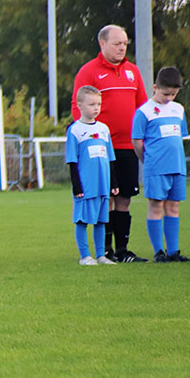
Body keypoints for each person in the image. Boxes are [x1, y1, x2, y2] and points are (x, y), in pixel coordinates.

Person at [71, 24, 148, 263]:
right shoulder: (88, 71)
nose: (122, 48)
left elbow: (142, 107)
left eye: (125, 43)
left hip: (128, 146)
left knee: (124, 198)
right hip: (102, 150)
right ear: (102, 43)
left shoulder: (133, 71)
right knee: (107, 198)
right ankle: (104, 251)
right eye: (117, 43)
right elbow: (76, 107)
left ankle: (123, 250)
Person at [131, 67, 190, 263]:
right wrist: (147, 161)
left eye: (173, 94)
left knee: (173, 207)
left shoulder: (178, 109)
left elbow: (179, 137)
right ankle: (159, 251)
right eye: (165, 94)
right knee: (156, 206)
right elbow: (137, 141)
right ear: (155, 88)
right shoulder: (144, 112)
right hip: (156, 168)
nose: (169, 98)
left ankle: (173, 251)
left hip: (177, 167)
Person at [66, 85, 118, 266]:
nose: (96, 108)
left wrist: (113, 183)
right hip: (86, 185)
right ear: (80, 105)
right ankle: (85, 256)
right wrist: (77, 186)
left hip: (102, 184)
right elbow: (72, 161)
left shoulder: (104, 129)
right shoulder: (75, 130)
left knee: (101, 221)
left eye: (98, 104)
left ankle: (101, 255)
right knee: (82, 221)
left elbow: (110, 158)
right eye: (91, 104)